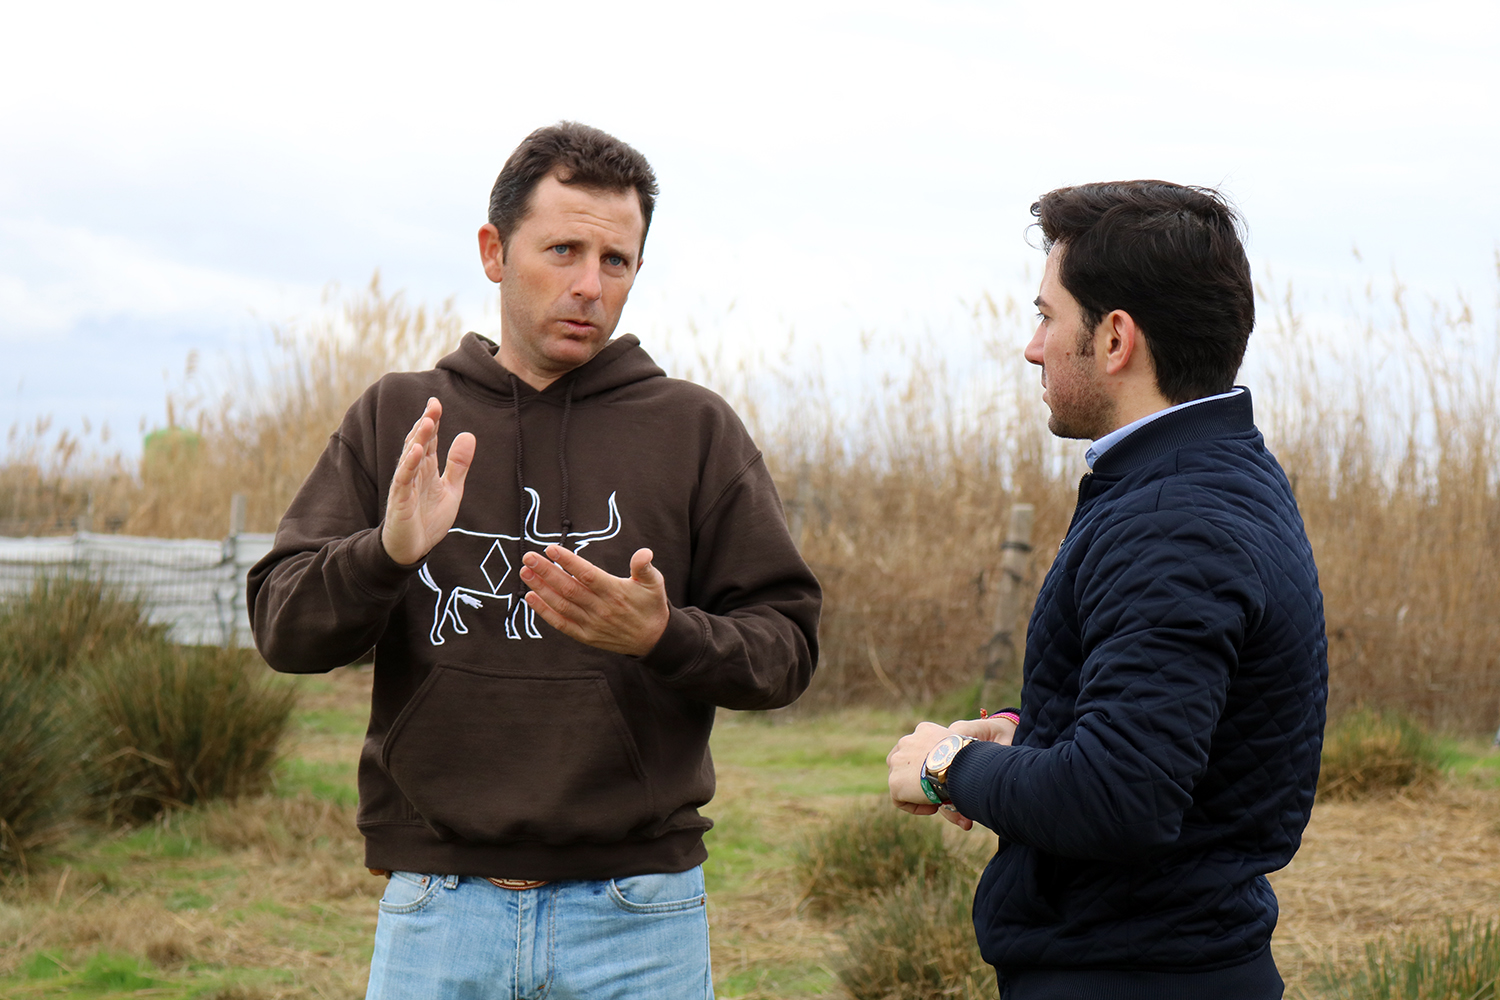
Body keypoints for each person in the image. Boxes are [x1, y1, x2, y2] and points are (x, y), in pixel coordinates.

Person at [248, 121, 820, 1000]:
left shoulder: (695, 430)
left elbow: (786, 650)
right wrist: (386, 554)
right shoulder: (401, 417)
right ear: (494, 251)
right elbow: (282, 629)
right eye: (563, 250)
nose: (590, 285)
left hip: (640, 914)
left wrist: (663, 635)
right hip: (439, 908)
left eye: (616, 260)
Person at [886, 180, 1327, 999]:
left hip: (1133, 974)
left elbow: (1121, 796)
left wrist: (948, 766)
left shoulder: (1174, 519)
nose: (1033, 347)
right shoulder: (1218, 474)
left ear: (1116, 337)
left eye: (1047, 317)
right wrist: (1028, 736)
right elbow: (1176, 735)